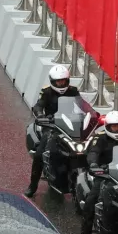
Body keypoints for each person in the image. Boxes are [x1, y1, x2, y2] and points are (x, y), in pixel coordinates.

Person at [25, 65, 82, 198]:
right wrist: (40, 115)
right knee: (40, 154)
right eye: (58, 81)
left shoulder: (73, 91)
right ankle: (32, 186)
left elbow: (81, 106)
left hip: (71, 126)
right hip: (51, 127)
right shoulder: (47, 92)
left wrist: (92, 115)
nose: (61, 83)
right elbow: (39, 105)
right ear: (53, 81)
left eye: (63, 81)